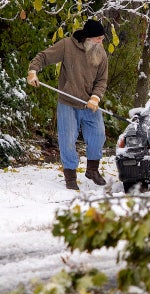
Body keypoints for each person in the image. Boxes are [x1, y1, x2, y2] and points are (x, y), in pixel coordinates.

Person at [27, 19, 108, 190]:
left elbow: (102, 80)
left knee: (99, 135)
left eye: (102, 39)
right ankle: (70, 176)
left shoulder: (100, 53)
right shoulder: (67, 46)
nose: (101, 42)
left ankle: (92, 170)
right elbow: (44, 56)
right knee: (68, 140)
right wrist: (33, 70)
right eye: (98, 39)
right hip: (68, 102)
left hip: (89, 103)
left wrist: (96, 97)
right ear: (88, 37)